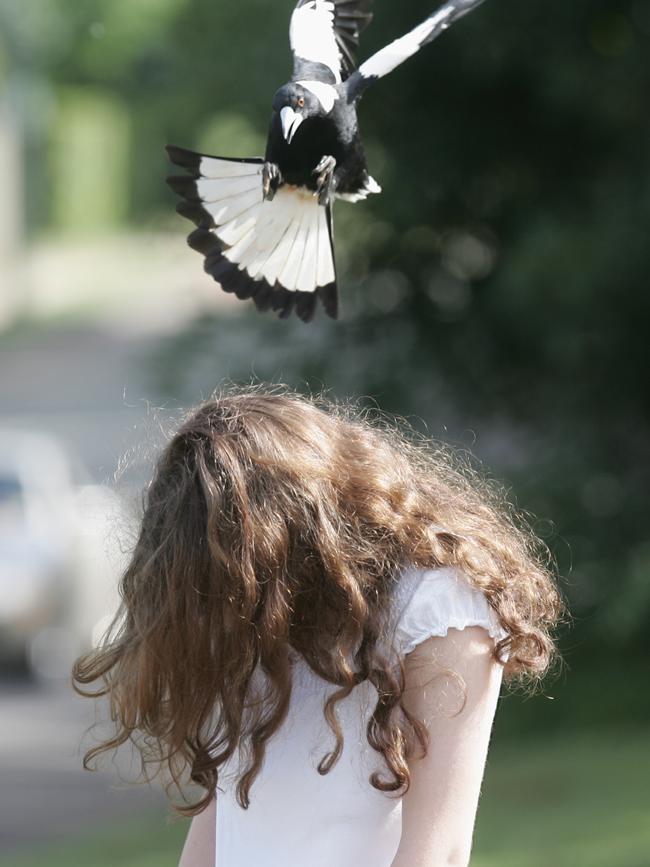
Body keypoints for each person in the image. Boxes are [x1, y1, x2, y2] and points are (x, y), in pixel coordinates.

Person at [72, 386, 563, 867]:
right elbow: (227, 807)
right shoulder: (267, 607)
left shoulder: (437, 603)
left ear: (297, 529)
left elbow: (438, 850)